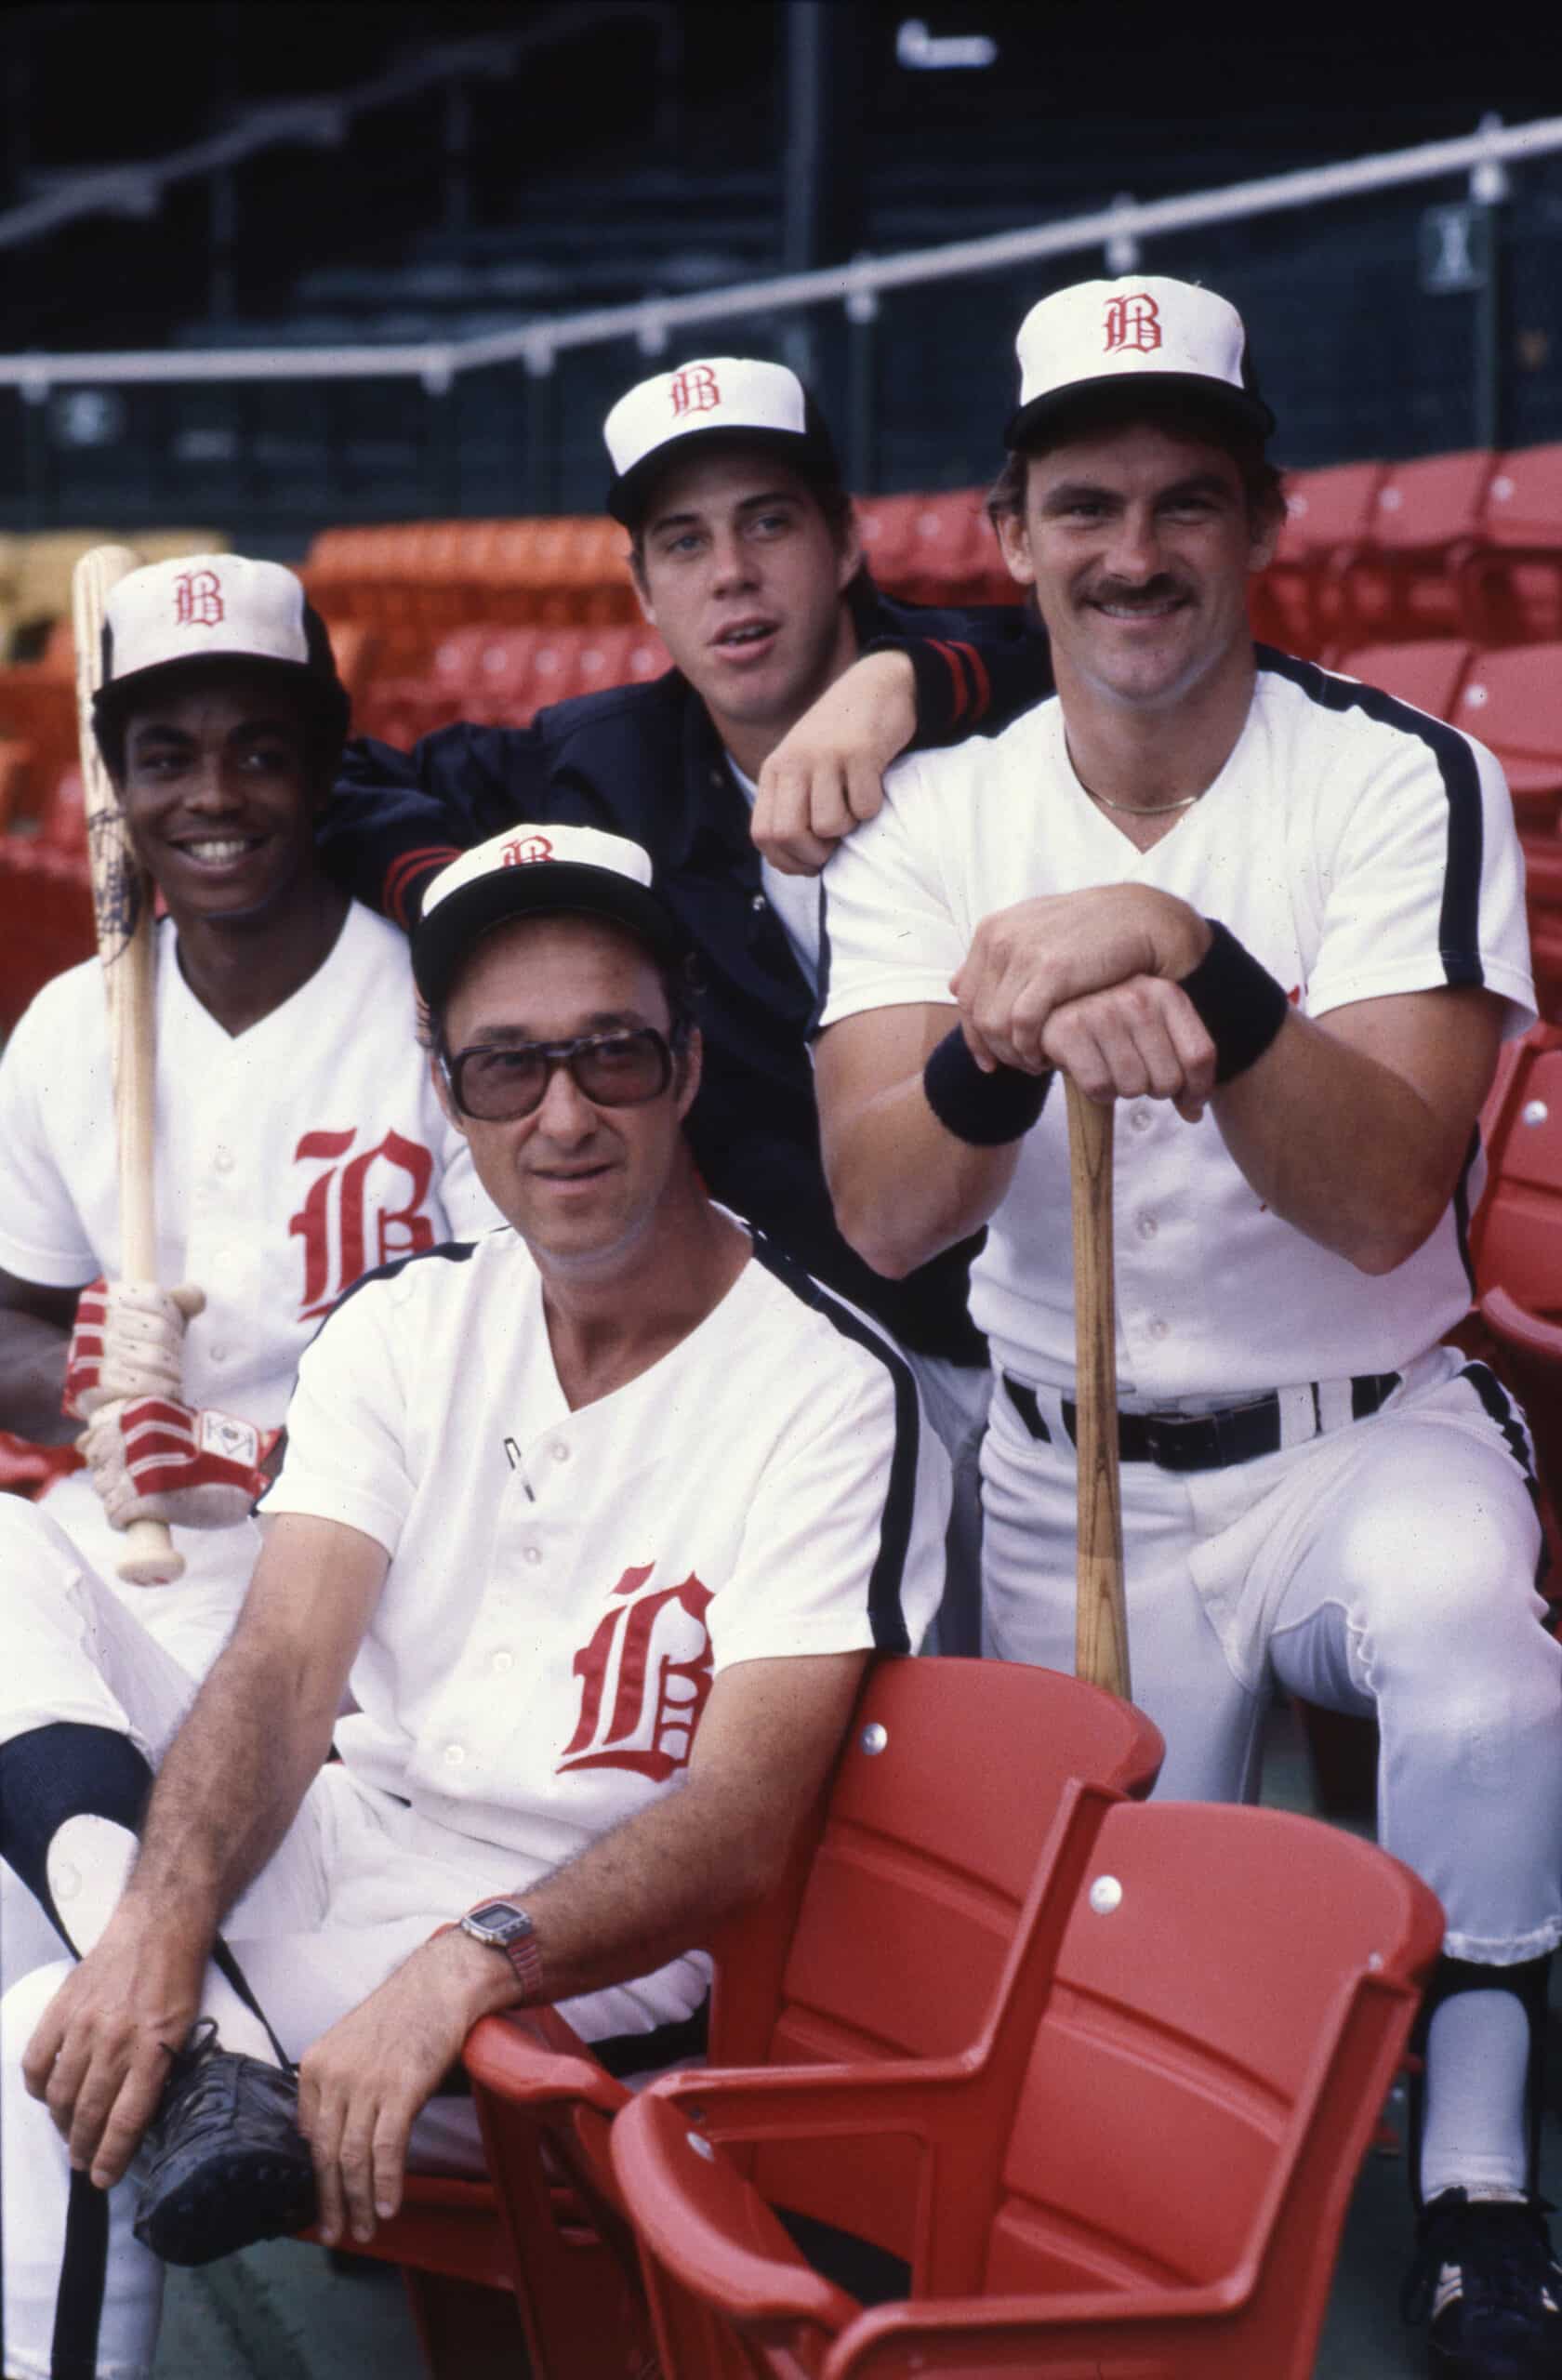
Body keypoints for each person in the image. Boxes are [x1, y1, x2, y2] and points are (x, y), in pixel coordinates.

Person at [808, 272, 1562, 2379]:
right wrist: (1003, 1038)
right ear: (1007, 527)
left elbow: (1387, 1183)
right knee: (1121, 2052)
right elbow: (884, 1206)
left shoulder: (1401, 777)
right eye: (1087, 503)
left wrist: (1195, 967)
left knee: (1476, 1645)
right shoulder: (930, 813)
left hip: (1355, 1429)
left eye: (1183, 501)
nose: (1134, 551)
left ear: (1265, 518)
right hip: (1067, 1456)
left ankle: (1483, 2185)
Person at [0, 820, 948, 2380]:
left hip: (574, 1975)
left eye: (612, 1057)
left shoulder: (828, 1385)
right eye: (507, 1068)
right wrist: (161, 1928)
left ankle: (185, 2032)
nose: (563, 1115)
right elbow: (288, 1665)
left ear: (691, 1066)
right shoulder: (409, 1320)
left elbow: (747, 1816)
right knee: (15, 1554)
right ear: (450, 1095)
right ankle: (191, 2025)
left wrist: (465, 1960)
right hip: (348, 1856)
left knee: (40, 2050)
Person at [318, 355, 1054, 1650]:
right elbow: (341, 779)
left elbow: (1118, 643)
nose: (731, 573)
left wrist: (913, 685)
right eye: (684, 540)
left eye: (768, 521)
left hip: (1059, 1336)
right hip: (822, 1364)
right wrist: (460, 891)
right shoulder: (608, 764)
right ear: (642, 589)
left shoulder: (991, 698)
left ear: (842, 542)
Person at [0, 552, 499, 1695]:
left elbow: (525, 1360)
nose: (212, 796)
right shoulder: (70, 1029)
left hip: (390, 1568)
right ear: (117, 782)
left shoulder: (441, 1009)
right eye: (166, 757)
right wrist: (75, 1373)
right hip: (132, 1542)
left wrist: (256, 1464)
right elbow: (8, 1323)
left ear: (327, 769)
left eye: (260, 754)